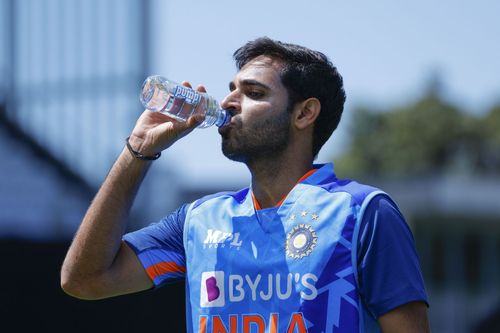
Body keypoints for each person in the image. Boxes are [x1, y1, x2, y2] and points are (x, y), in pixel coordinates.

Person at [61, 37, 430, 333]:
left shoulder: (363, 212)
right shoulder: (199, 221)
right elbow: (84, 280)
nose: (227, 102)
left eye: (253, 93)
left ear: (304, 113)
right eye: (231, 89)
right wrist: (137, 150)